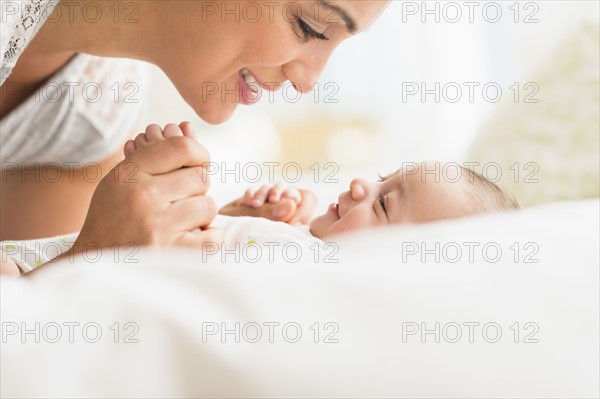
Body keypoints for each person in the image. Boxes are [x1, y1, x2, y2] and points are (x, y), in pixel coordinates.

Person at [0, 1, 391, 274]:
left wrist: (204, 239)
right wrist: (93, 259)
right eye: (311, 26)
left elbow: (30, 299)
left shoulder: (101, 103)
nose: (308, 82)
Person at [1, 124, 519, 275]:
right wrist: (231, 213)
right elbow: (211, 248)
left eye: (385, 203)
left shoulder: (317, 280)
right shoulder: (296, 241)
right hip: (52, 259)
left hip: (56, 284)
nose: (362, 186)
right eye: (382, 179)